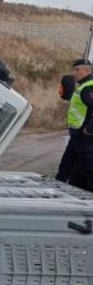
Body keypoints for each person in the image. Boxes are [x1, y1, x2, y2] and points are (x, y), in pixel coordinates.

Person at [55, 59, 93, 190]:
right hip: (77, 136)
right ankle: (56, 189)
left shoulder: (89, 87)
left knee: (89, 168)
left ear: (87, 71)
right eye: (74, 69)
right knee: (67, 165)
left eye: (77, 70)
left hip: (85, 138)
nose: (74, 73)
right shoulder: (83, 86)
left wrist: (89, 130)